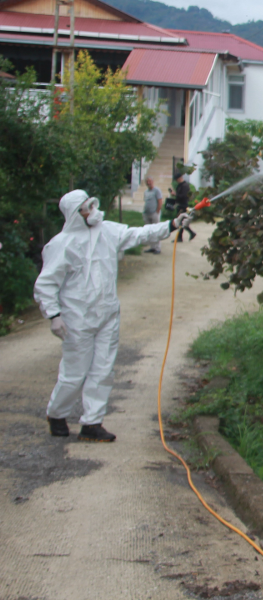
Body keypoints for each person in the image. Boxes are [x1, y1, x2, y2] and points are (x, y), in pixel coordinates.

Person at [34, 189, 191, 442]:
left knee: (103, 370)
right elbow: (46, 284)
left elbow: (138, 233)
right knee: (75, 372)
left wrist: (172, 225)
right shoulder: (61, 245)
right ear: (75, 214)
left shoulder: (108, 231)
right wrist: (54, 315)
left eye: (91, 205)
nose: (91, 211)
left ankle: (92, 423)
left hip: (107, 313)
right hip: (77, 318)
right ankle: (57, 414)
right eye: (85, 208)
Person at [142, 176, 164, 254]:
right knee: (149, 231)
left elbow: (160, 201)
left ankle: (157, 248)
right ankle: (152, 247)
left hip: (154, 213)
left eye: (150, 181)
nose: (148, 183)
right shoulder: (146, 192)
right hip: (147, 213)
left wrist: (157, 211)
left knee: (156, 230)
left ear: (152, 182)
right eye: (147, 181)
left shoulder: (157, 190)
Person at [173, 173, 196, 243]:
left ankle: (189, 234)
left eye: (177, 180)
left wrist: (175, 194)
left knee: (181, 221)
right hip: (180, 205)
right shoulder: (180, 186)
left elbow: (183, 196)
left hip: (183, 206)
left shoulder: (185, 186)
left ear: (180, 178)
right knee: (181, 221)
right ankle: (181, 236)